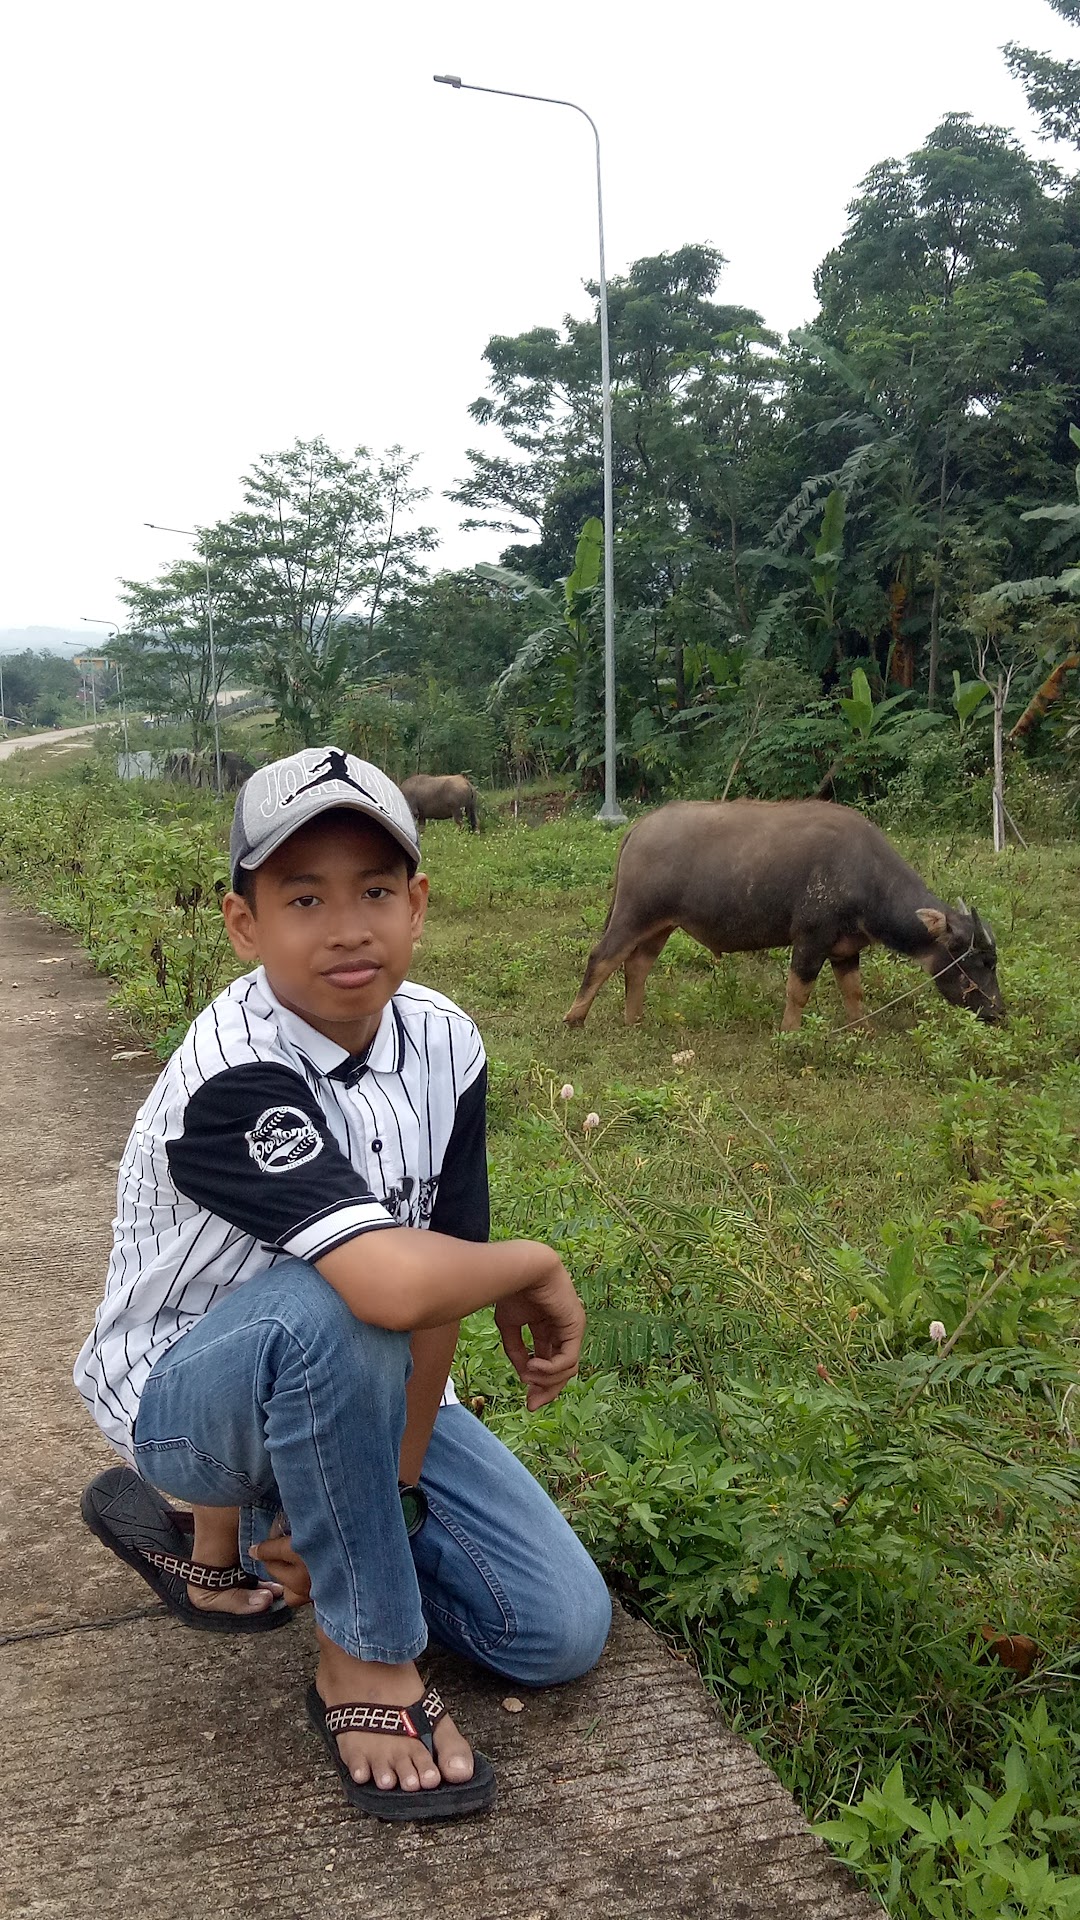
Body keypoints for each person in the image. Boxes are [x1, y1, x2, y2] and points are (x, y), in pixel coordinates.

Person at [75, 746, 611, 1821]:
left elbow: (441, 1274)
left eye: (374, 891)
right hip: (192, 1407)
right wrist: (537, 1266)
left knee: (553, 1632)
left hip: (363, 1381)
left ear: (418, 905)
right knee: (342, 1295)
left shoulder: (445, 1042)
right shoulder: (235, 1073)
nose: (347, 926)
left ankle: (279, 1538)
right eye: (303, 896)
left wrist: (401, 1474)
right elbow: (385, 1285)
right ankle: (358, 1657)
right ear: (245, 925)